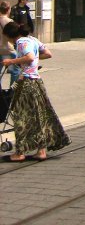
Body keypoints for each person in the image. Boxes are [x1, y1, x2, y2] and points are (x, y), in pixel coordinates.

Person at [1, 21, 70, 161]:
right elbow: (47, 54)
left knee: (21, 116)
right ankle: (41, 151)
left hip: (26, 83)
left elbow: (30, 57)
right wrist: (34, 62)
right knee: (40, 116)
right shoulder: (33, 39)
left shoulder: (21, 42)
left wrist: (12, 62)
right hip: (37, 82)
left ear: (10, 35)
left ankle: (19, 153)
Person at [0, 1, 19, 86]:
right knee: (15, 71)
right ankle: (12, 92)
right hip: (7, 49)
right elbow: (14, 36)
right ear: (8, 10)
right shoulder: (9, 21)